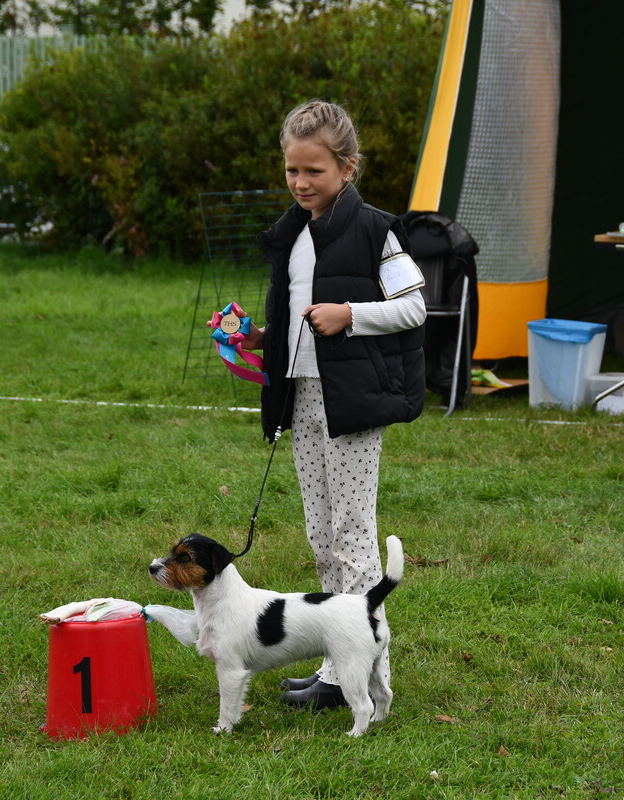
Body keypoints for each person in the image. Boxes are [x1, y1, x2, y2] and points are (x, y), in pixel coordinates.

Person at [228, 100, 426, 707]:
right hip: (302, 397)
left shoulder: (377, 231)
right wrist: (258, 338)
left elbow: (415, 307)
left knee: (353, 537)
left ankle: (362, 679)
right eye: (292, 170)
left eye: (314, 171)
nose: (300, 182)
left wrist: (351, 315)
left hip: (352, 404)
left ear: (347, 168)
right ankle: (337, 667)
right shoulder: (292, 234)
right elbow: (296, 318)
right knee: (320, 536)